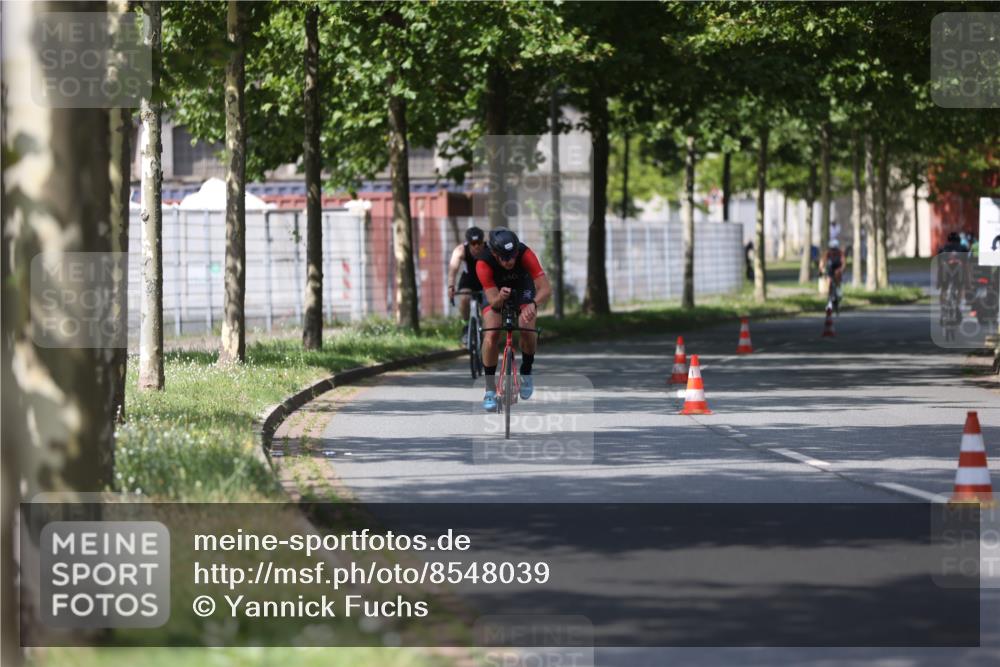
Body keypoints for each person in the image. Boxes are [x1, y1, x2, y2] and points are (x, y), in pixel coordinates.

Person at [476, 227, 551, 411]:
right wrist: (501, 298)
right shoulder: (483, 263)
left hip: (522, 286)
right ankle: (490, 389)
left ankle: (526, 370)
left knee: (527, 326)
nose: (510, 261)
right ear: (494, 253)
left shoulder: (525, 254)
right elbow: (493, 302)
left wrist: (533, 304)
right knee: (491, 334)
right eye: (504, 257)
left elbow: (545, 289)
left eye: (513, 256)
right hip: (496, 291)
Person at [447, 226, 486, 344]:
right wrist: (451, 287)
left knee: (488, 305)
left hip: (485, 279)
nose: (476, 246)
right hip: (468, 279)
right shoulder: (460, 251)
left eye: (479, 243)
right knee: (464, 298)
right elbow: (452, 271)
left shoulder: (490, 249)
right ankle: (467, 325)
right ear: (468, 243)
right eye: (473, 243)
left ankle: (486, 332)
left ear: (483, 242)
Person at [821, 239, 845, 305]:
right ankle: (830, 295)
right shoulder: (828, 253)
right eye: (832, 248)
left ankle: (839, 292)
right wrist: (822, 269)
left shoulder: (840, 253)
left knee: (838, 281)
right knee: (829, 281)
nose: (833, 250)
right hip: (830, 269)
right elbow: (823, 261)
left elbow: (843, 262)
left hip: (838, 268)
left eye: (834, 248)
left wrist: (842, 269)